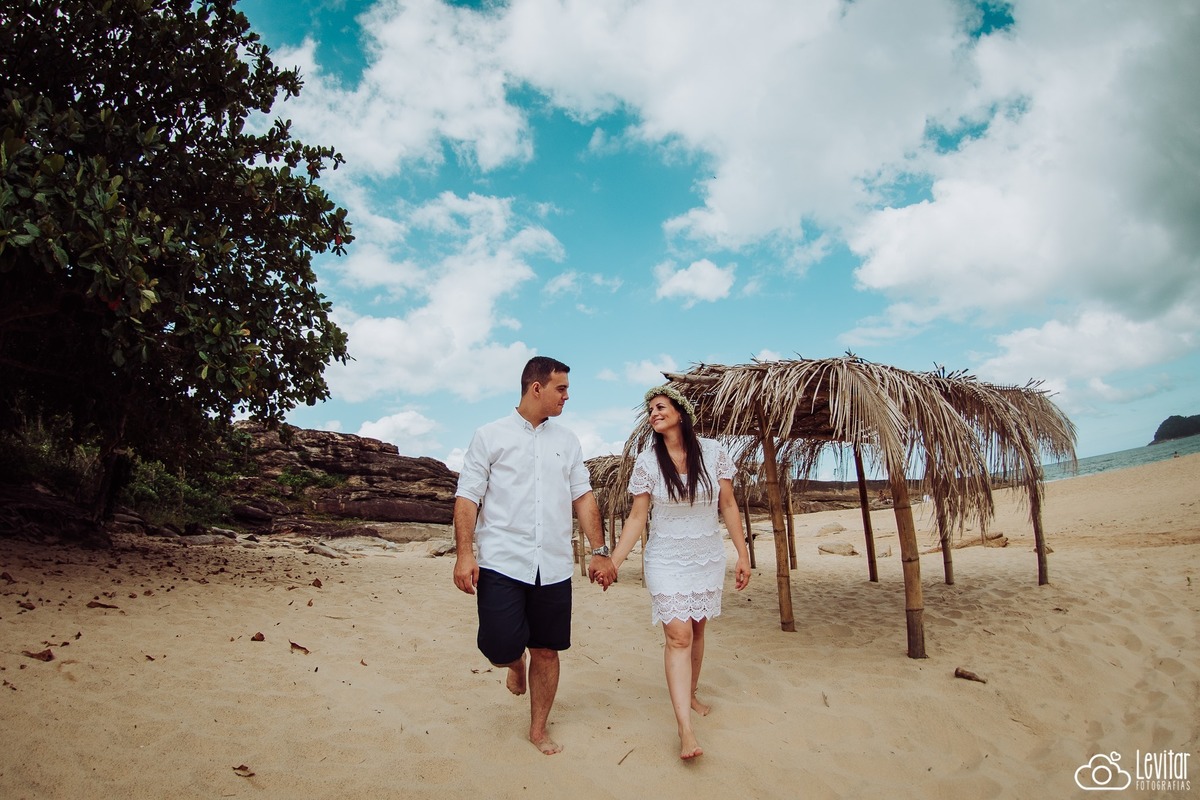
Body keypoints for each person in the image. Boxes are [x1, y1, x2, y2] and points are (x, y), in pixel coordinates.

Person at [452, 355, 611, 755]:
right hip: (502, 560)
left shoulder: (568, 441)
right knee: (498, 645)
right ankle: (512, 664)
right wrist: (464, 554)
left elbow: (583, 496)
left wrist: (601, 550)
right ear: (536, 387)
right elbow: (468, 497)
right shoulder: (489, 436)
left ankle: (538, 729)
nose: (567, 397)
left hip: (553, 564)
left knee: (547, 648)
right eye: (561, 389)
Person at [604, 385, 751, 760]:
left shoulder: (714, 452)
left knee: (698, 627)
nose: (653, 413)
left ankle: (692, 693)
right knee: (679, 634)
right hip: (666, 559)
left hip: (706, 556)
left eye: (660, 407)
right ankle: (685, 729)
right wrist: (615, 562)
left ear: (681, 413)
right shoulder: (648, 462)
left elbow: (729, 505)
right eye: (650, 410)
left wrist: (743, 554)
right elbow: (638, 516)